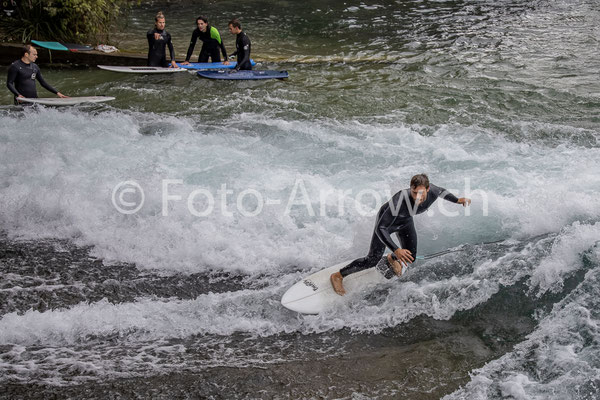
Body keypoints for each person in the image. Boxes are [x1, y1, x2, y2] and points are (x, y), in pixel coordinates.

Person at [330, 174, 471, 296]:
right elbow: (381, 228)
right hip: (386, 224)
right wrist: (396, 248)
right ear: (411, 188)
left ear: (428, 189)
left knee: (411, 256)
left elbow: (442, 191)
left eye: (421, 193)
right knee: (372, 260)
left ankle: (392, 258)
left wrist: (458, 200)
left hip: (405, 222)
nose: (417, 197)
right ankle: (338, 275)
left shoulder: (434, 191)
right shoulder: (399, 200)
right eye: (414, 192)